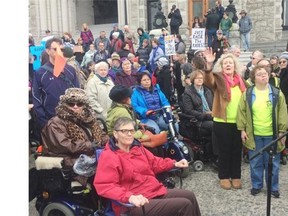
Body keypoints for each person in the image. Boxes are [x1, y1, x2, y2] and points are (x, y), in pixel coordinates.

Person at [94, 117, 201, 216]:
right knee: (184, 205)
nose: (129, 134)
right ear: (115, 134)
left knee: (189, 195)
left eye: (131, 131)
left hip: (151, 191)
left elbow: (154, 163)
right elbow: (106, 185)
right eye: (124, 131)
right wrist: (129, 197)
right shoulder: (109, 156)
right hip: (133, 204)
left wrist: (174, 163)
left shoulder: (137, 148)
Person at [237, 65, 287, 198]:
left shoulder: (277, 93)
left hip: (272, 135)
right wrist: (242, 129)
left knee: (273, 162)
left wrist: (282, 131)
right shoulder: (247, 93)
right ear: (254, 78)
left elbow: (282, 112)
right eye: (259, 74)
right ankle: (257, 185)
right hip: (255, 135)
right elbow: (241, 112)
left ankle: (273, 187)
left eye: (265, 73)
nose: (263, 75)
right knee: (256, 162)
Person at [41, 88, 109, 186]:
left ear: (84, 105)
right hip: (69, 159)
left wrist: (109, 141)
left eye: (79, 104)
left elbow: (101, 134)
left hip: (90, 154)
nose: (75, 106)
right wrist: (89, 145)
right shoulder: (56, 123)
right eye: (71, 104)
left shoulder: (88, 118)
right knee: (103, 174)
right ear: (64, 105)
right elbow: (63, 145)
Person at [203, 49, 246, 190]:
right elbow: (208, 80)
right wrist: (209, 65)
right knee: (224, 150)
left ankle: (236, 176)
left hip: (239, 122)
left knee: (236, 150)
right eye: (225, 63)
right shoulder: (218, 79)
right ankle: (224, 176)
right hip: (222, 122)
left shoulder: (241, 81)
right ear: (221, 66)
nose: (228, 65)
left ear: (235, 66)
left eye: (230, 63)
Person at [32, 37, 80, 130]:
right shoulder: (40, 72)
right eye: (55, 49)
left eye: (61, 49)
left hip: (71, 119)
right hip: (51, 121)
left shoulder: (70, 70)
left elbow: (77, 94)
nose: (59, 52)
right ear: (47, 50)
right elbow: (36, 98)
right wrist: (44, 122)